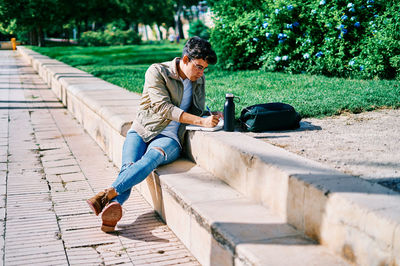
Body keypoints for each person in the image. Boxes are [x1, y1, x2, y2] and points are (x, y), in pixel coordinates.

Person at [87, 36, 222, 232]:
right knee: (129, 166)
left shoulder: (198, 80)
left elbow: (197, 109)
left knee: (152, 157)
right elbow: (163, 108)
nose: (201, 73)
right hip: (142, 130)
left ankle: (106, 197)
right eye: (199, 67)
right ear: (185, 60)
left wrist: (211, 115)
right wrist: (202, 122)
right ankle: (111, 206)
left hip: (171, 138)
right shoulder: (157, 71)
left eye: (204, 69)